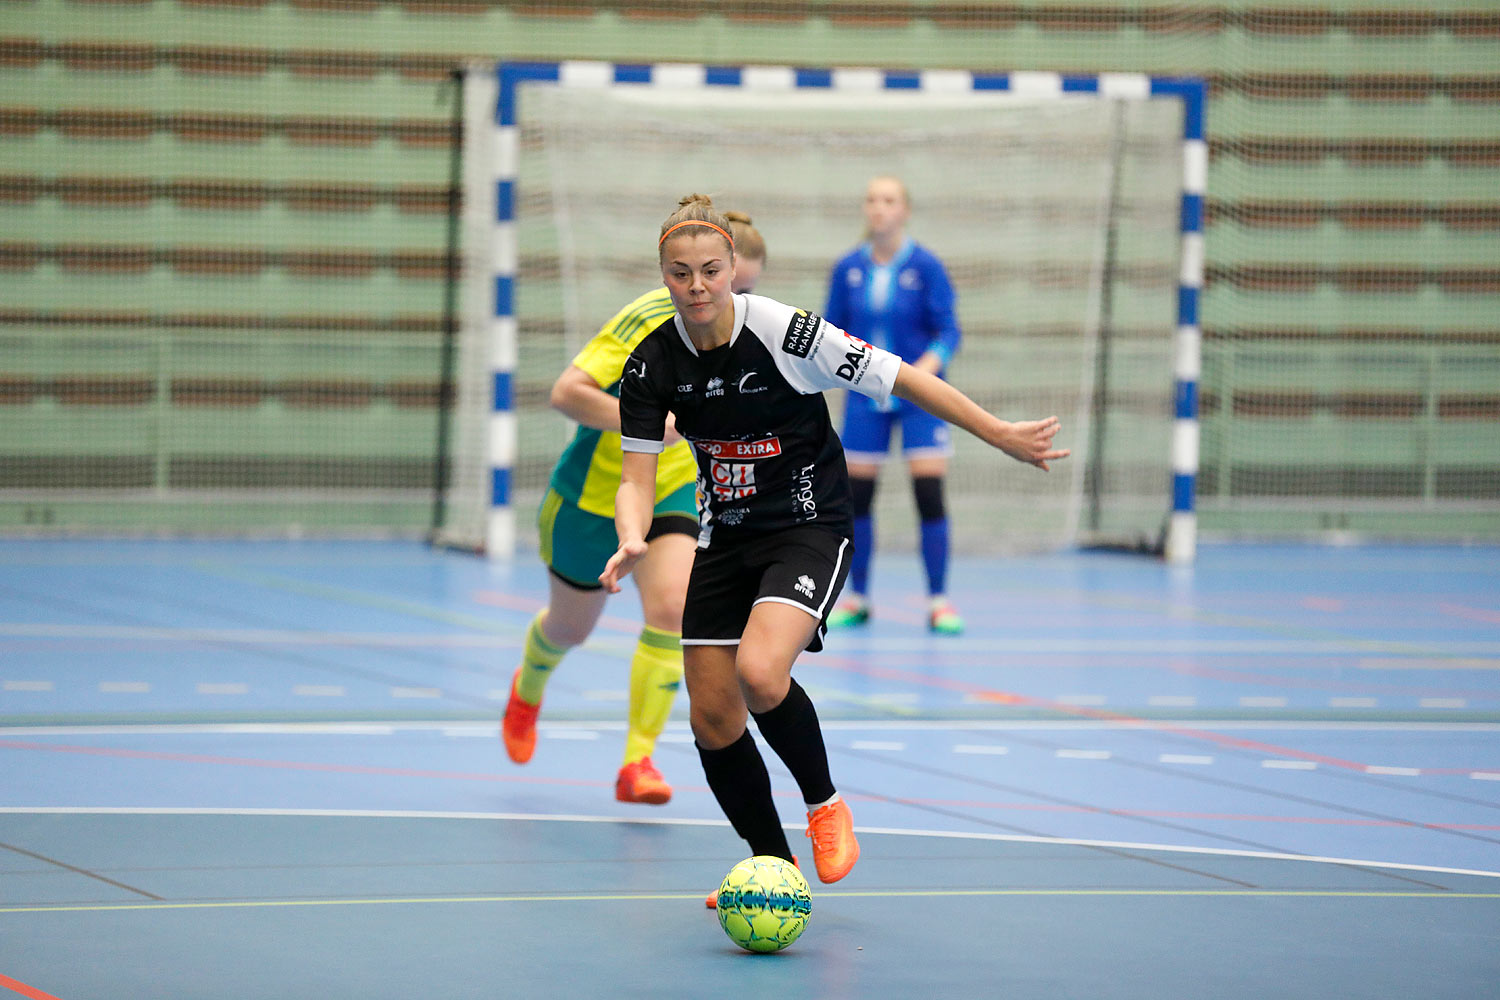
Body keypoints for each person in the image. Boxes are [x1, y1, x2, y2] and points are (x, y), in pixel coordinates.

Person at [599, 194, 1068, 902]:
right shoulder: (650, 364)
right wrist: (633, 535)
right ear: (662, 276)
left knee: (761, 671)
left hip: (809, 523)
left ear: (732, 270)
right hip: (725, 533)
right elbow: (635, 477)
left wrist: (997, 432)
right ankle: (774, 869)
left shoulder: (786, 333)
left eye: (710, 270)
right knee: (712, 714)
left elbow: (902, 376)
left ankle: (824, 804)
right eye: (679, 273)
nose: (696, 287)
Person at [500, 211, 769, 806]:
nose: (726, 297)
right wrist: (644, 420)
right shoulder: (648, 319)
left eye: (741, 287)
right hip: (591, 498)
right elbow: (567, 393)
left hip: (670, 489)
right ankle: (529, 686)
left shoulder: (754, 331)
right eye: (716, 281)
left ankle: (637, 761)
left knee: (674, 606)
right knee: (570, 628)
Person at [823, 176, 966, 634]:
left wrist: (920, 372)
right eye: (871, 200)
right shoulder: (847, 268)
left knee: (928, 493)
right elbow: (829, 331)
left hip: (920, 394)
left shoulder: (926, 266)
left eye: (888, 201)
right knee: (858, 497)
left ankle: (939, 601)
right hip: (865, 396)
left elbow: (950, 332)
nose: (878, 208)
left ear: (904, 210)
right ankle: (858, 596)